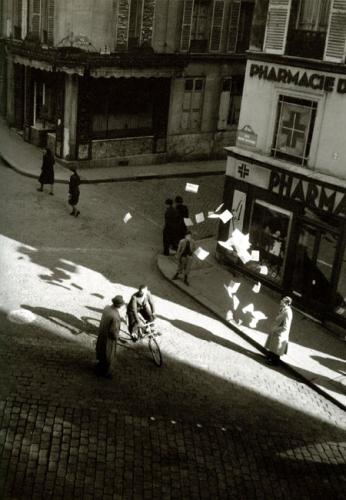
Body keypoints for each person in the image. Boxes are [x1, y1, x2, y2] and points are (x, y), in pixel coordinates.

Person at [95, 295, 126, 378]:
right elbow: (113, 332)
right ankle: (104, 372)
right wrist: (117, 337)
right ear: (119, 305)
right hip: (109, 339)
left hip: (102, 333)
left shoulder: (107, 308)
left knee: (101, 350)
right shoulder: (115, 317)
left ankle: (99, 365)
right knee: (109, 354)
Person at [265, 296, 293, 365]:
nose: (281, 301)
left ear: (287, 303)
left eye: (283, 300)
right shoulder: (283, 309)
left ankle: (274, 362)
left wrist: (275, 329)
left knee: (277, 349)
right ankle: (270, 358)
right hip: (276, 331)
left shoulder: (288, 312)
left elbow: (286, 327)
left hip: (280, 333)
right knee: (273, 347)